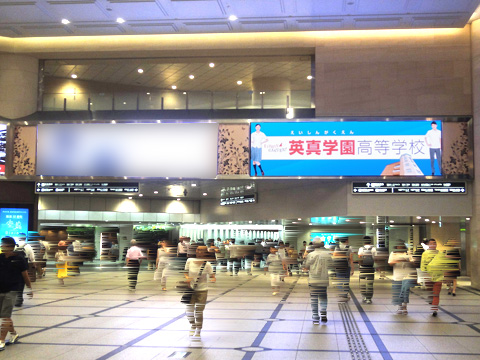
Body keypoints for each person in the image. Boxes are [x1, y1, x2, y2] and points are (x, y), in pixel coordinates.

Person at [0, 236, 33, 351]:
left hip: (12, 289)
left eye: (4, 244)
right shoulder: (0, 257)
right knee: (5, 316)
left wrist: (29, 288)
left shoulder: (19, 258)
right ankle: (14, 334)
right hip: (0, 289)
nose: (2, 246)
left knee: (5, 316)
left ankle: (1, 341)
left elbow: (25, 275)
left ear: (11, 247)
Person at [184, 257, 215, 339]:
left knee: (199, 312)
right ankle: (193, 325)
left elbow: (212, 275)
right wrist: (187, 278)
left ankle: (198, 329)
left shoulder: (207, 264)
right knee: (188, 311)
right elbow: (185, 272)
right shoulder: (189, 261)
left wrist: (213, 279)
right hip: (191, 290)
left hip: (202, 290)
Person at [303, 239, 332, 323]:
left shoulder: (310, 255)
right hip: (323, 279)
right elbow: (331, 265)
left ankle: (315, 317)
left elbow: (306, 266)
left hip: (313, 279)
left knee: (314, 298)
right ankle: (323, 314)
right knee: (323, 296)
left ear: (313, 245)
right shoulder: (327, 255)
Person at [388, 241, 416, 315]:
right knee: (398, 292)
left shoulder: (408, 253)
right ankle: (399, 307)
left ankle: (405, 306)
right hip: (397, 276)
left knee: (405, 292)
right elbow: (390, 263)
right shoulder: (393, 253)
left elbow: (413, 262)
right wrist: (401, 260)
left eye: (401, 245)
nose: (400, 247)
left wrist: (409, 261)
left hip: (407, 276)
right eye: (398, 245)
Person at [421, 238, 442, 316]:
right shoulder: (425, 254)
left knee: (436, 294)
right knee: (431, 293)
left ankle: (435, 309)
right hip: (428, 276)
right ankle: (432, 302)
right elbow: (423, 265)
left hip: (438, 277)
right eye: (432, 243)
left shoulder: (440, 253)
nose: (434, 244)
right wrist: (423, 276)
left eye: (435, 243)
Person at [13, 235, 35, 307]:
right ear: (25, 238)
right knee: (22, 280)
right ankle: (19, 300)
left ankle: (13, 299)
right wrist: (33, 263)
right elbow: (31, 256)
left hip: (14, 265)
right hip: (24, 263)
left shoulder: (15, 245)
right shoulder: (28, 246)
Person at [332, 238, 354, 302]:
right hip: (346, 266)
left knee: (339, 279)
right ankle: (345, 295)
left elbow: (334, 256)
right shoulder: (349, 247)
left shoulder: (337, 247)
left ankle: (342, 294)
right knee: (346, 280)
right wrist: (353, 269)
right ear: (347, 240)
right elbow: (351, 259)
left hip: (338, 266)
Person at [357, 236, 377, 304]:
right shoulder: (374, 249)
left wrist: (359, 266)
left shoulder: (361, 249)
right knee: (370, 284)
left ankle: (364, 297)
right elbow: (375, 258)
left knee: (362, 283)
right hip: (371, 268)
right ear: (370, 241)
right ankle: (369, 298)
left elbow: (359, 258)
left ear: (364, 241)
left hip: (363, 268)